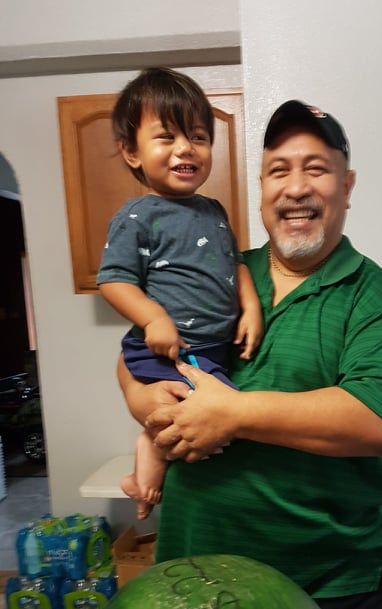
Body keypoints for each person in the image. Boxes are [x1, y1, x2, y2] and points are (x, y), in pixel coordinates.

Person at [118, 99, 382, 609]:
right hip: (195, 576)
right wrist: (142, 400)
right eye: (279, 171)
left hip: (332, 591)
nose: (296, 188)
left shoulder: (379, 299)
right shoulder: (219, 270)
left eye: (316, 169)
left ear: (347, 186)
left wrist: (234, 414)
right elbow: (139, 349)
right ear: (262, 188)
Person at [97, 67, 262, 519]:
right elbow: (113, 280)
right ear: (132, 152)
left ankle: (145, 464)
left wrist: (250, 306)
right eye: (166, 137)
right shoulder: (137, 215)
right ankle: (145, 478)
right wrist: (154, 318)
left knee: (205, 418)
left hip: (208, 349)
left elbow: (235, 263)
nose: (186, 148)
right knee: (207, 418)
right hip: (170, 350)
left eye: (198, 137)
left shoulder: (214, 210)